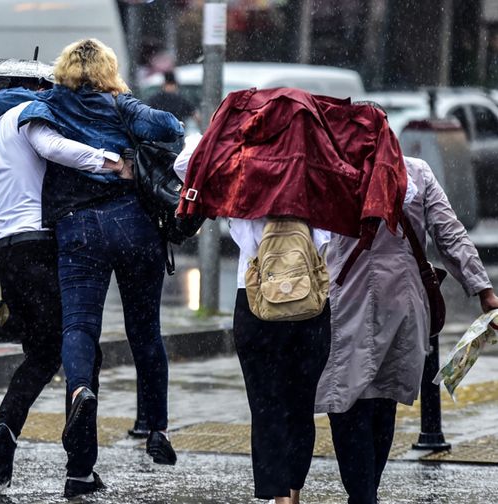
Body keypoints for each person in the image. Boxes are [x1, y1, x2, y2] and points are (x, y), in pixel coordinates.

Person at [0, 38, 184, 498]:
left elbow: (0, 101)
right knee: (145, 328)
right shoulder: (123, 104)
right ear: (108, 70)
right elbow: (170, 126)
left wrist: (42, 90)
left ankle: (80, 390)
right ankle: (156, 426)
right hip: (133, 223)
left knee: (78, 325)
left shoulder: (49, 103)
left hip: (77, 228)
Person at [0, 80, 126, 488]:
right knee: (82, 350)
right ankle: (80, 469)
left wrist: (3, 213)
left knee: (44, 354)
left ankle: (5, 431)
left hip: (11, 252)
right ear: (34, 93)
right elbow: (53, 148)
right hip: (44, 247)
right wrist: (111, 162)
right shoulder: (29, 115)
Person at [316, 154, 498, 504]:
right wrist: (483, 289)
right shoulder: (416, 171)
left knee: (346, 401)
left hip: (347, 301)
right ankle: (366, 494)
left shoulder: (334, 171)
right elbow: (450, 233)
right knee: (383, 402)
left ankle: (362, 496)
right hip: (403, 303)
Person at [174, 136, 331, 504]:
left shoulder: (242, 175)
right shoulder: (319, 173)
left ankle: (277, 495)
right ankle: (293, 492)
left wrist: (227, 137)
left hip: (257, 303)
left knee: (266, 402)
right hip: (311, 306)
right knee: (300, 403)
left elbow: (186, 165)